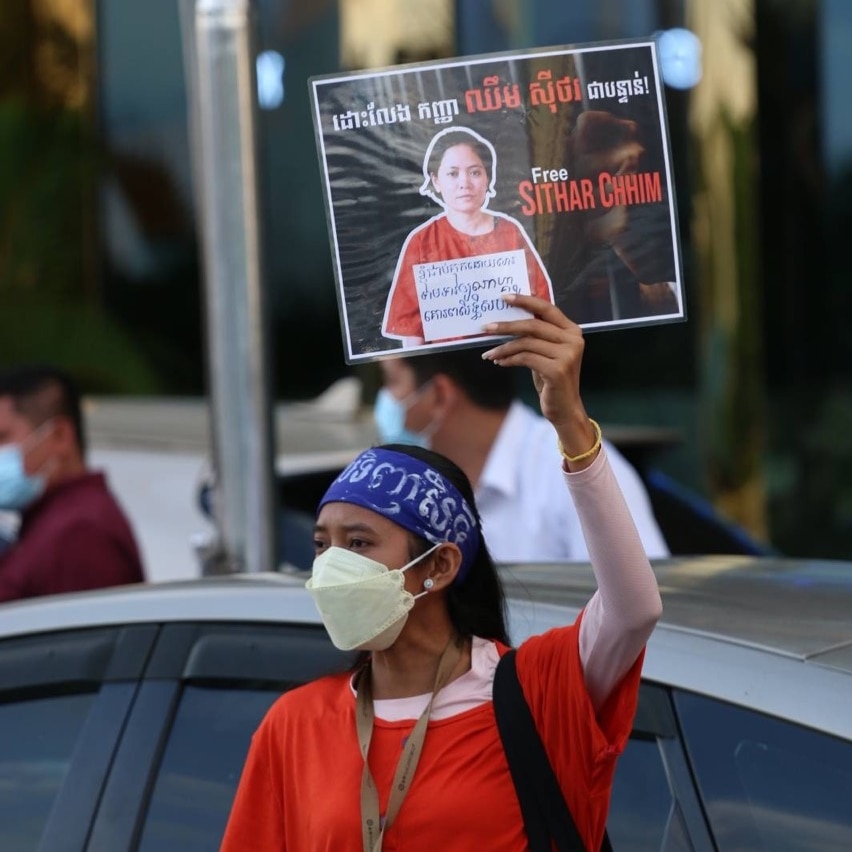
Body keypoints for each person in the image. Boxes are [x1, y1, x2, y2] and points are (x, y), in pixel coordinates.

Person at [221, 294, 663, 851]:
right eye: (321, 544)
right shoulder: (294, 725)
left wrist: (570, 423)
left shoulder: (533, 696)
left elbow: (634, 609)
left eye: (359, 542)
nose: (333, 564)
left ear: (439, 566)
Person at [374, 346, 670, 562]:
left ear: (439, 395)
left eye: (392, 381)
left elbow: (643, 609)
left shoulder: (577, 472)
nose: (384, 400)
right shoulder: (407, 490)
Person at [382, 126, 554, 347]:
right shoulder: (421, 242)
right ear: (436, 180)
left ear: (487, 177)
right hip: (451, 368)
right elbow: (413, 335)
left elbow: (541, 311)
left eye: (475, 172)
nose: (465, 183)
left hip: (515, 356)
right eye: (452, 173)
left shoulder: (510, 232)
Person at [0, 364, 145, 602]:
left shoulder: (79, 535)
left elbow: (81, 637)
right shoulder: (51, 523)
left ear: (59, 436)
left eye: (1, 437)